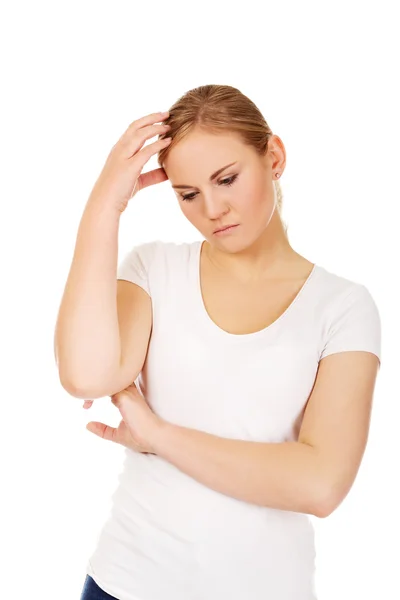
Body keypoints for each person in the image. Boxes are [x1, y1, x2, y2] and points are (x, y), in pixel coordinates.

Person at [54, 85, 381, 600]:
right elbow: (87, 375)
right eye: (187, 194)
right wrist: (104, 208)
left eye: (227, 179)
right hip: (125, 584)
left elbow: (320, 484)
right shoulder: (153, 268)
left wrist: (159, 435)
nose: (212, 209)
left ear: (273, 157)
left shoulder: (342, 307)